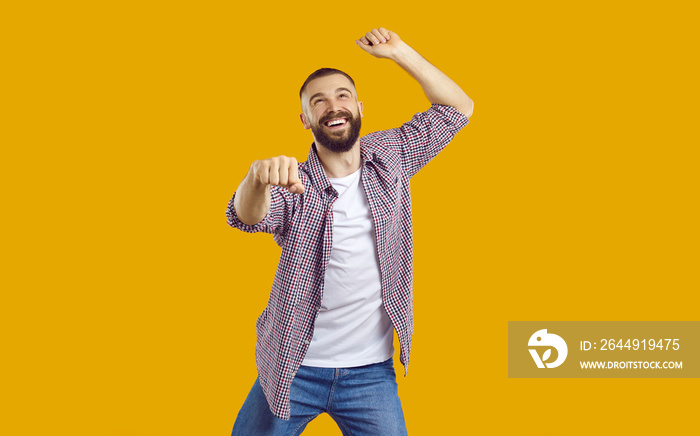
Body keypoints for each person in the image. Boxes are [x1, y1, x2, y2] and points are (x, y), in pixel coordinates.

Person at [227, 27, 473, 436]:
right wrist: (255, 179)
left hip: (369, 374)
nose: (332, 105)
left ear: (358, 107)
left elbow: (458, 109)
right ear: (305, 120)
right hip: (293, 365)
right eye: (317, 101)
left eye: (342, 95)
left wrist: (399, 53)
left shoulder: (390, 157)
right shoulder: (295, 184)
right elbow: (248, 217)